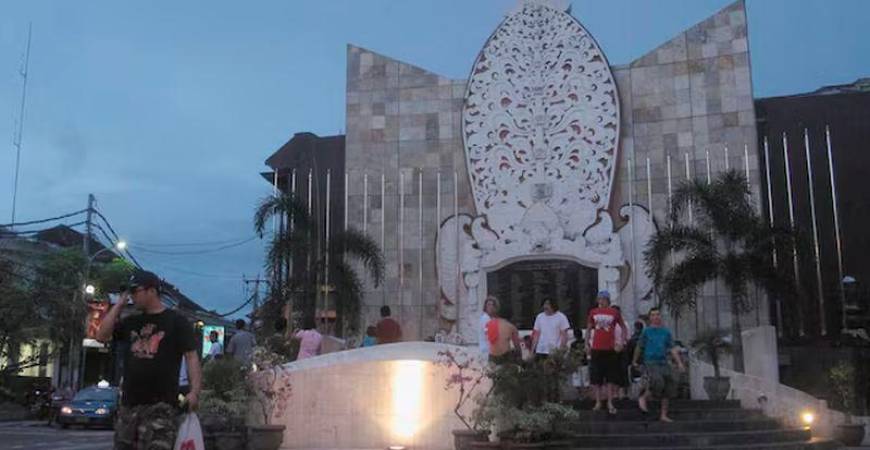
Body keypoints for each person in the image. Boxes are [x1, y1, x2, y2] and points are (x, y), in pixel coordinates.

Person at [96, 269, 201, 450]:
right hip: (130, 404)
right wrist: (119, 305)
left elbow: (191, 357)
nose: (132, 297)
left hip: (161, 405)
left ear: (151, 291)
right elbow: (102, 336)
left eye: (135, 291)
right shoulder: (132, 322)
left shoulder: (176, 321)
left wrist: (195, 391)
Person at [633, 307, 685, 422]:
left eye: (657, 315)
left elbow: (672, 349)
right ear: (650, 318)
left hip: (663, 362)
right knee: (657, 381)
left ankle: (663, 414)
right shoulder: (646, 332)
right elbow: (639, 346)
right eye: (653, 315)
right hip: (650, 362)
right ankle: (643, 396)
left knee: (668, 386)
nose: (656, 317)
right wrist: (635, 361)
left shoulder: (666, 332)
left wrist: (679, 363)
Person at [586, 290, 627, 414]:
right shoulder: (593, 312)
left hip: (610, 349)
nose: (601, 301)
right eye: (599, 299)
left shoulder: (614, 312)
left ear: (608, 300)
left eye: (603, 299)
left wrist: (621, 342)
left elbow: (623, 327)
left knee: (610, 378)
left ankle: (610, 401)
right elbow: (588, 329)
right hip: (596, 348)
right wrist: (586, 344)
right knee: (597, 377)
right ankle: (598, 401)